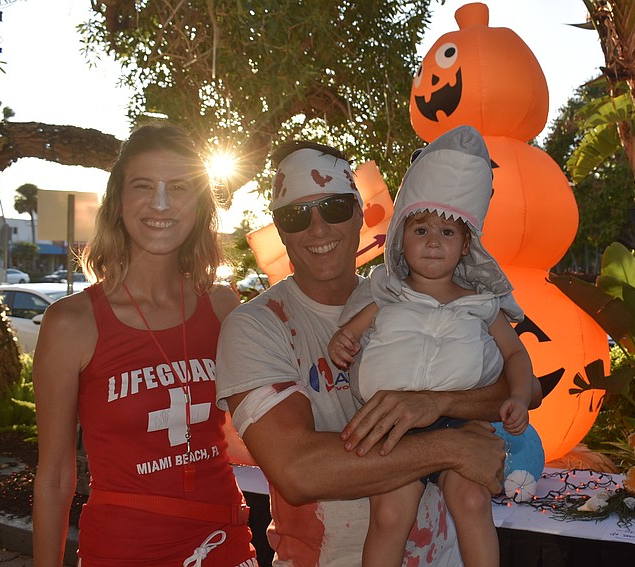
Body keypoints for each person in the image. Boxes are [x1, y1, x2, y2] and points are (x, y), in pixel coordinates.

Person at [215, 139, 540, 566]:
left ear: (359, 213)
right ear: (279, 229)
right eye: (297, 215)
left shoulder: (416, 291)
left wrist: (434, 404)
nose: (317, 229)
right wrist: (452, 447)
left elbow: (525, 387)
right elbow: (298, 471)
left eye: (333, 208)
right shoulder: (257, 326)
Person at [32, 123, 258, 567]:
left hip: (223, 542)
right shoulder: (72, 323)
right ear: (117, 202)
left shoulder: (224, 306)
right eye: (143, 186)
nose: (161, 203)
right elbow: (56, 476)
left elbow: (251, 434)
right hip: (122, 550)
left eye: (178, 187)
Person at [327, 125, 540, 566]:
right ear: (402, 237)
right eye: (421, 229)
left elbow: (516, 354)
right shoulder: (389, 292)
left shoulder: (482, 304)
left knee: (473, 503)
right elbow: (351, 332)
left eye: (447, 233)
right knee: (388, 515)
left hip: (460, 425)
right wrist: (342, 343)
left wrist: (519, 395)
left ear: (466, 246)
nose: (432, 242)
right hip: (392, 426)